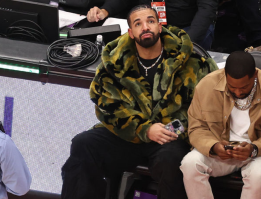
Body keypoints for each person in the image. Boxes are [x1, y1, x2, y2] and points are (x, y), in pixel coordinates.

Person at [62, 5, 218, 199]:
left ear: (160, 27)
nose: (145, 27)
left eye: (150, 21)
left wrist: (170, 130)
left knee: (171, 161)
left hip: (168, 136)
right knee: (83, 144)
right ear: (131, 32)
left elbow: (207, 107)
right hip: (129, 134)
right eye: (138, 24)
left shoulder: (191, 60)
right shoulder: (115, 61)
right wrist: (143, 130)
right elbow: (107, 106)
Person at [180, 51, 261, 199]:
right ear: (225, 74)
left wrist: (254, 149)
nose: (237, 91)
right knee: (190, 164)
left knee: (259, 175)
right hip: (222, 151)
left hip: (257, 153)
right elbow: (196, 127)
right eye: (232, 86)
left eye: (244, 87)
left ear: (255, 75)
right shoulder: (207, 86)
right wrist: (213, 146)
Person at [86, 0, 218, 50]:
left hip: (186, 27)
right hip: (149, 25)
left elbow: (207, 9)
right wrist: (104, 10)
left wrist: (187, 41)